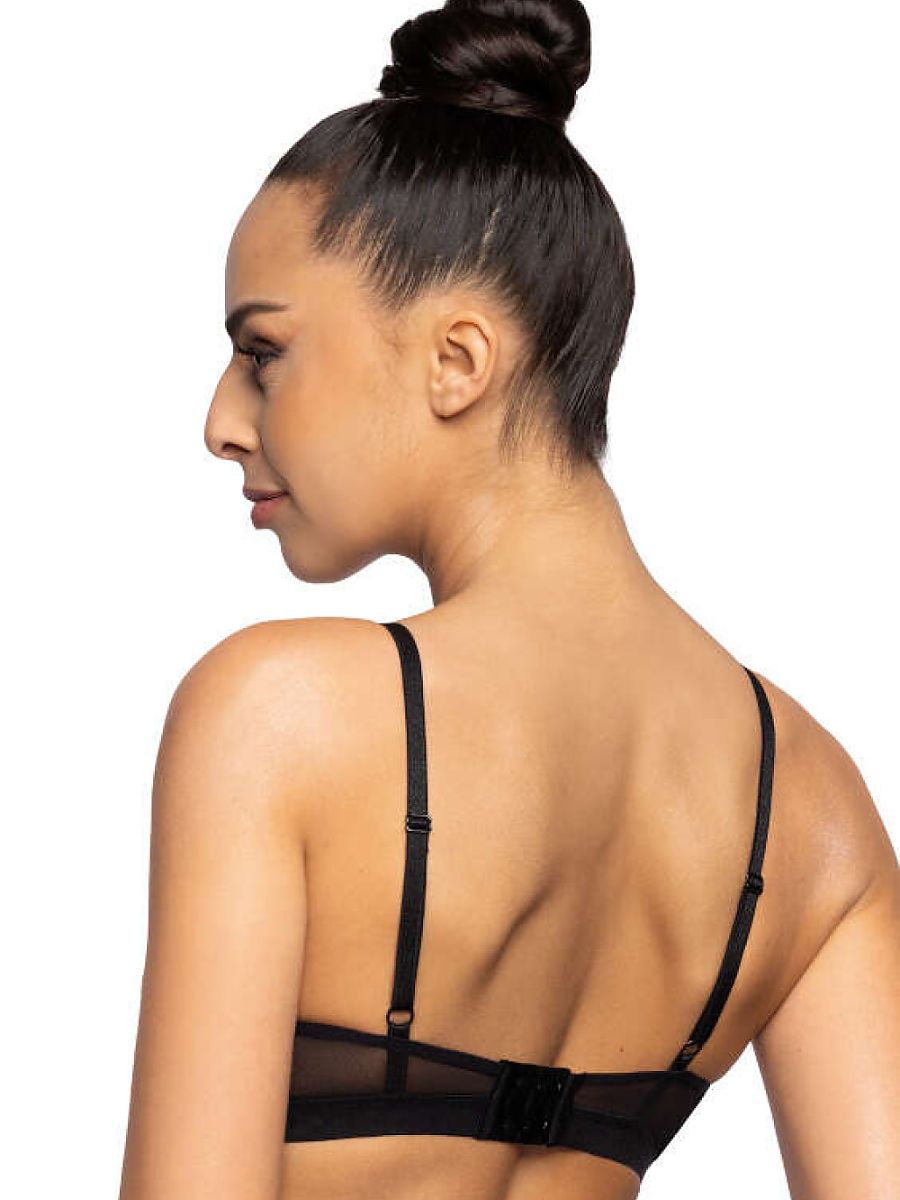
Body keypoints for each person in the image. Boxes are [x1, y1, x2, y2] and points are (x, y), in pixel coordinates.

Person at [118, 2, 900, 1197]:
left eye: (262, 351)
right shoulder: (818, 810)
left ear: (458, 362)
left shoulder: (277, 716)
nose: (222, 421)